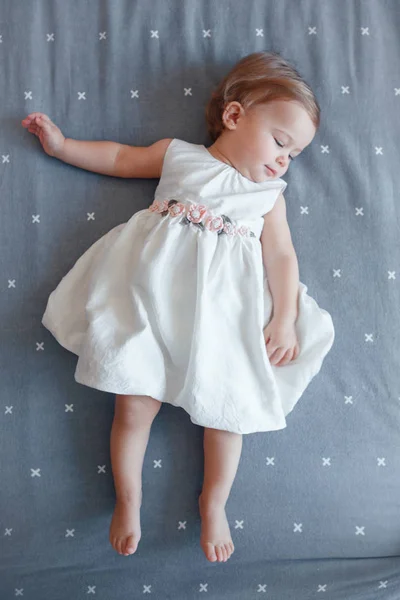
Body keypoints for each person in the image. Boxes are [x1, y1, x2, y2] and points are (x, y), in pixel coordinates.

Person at [21, 51, 335, 564]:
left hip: (222, 319)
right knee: (133, 403)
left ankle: (214, 502)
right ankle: (129, 500)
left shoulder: (268, 195)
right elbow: (121, 158)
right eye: (280, 142)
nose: (284, 161)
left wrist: (282, 317)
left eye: (294, 155)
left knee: (227, 414)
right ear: (234, 116)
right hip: (152, 302)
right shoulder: (180, 156)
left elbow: (280, 255)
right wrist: (62, 147)